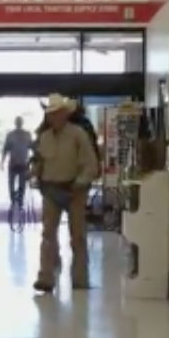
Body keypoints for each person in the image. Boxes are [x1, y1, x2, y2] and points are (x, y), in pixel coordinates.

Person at [31, 94, 100, 293]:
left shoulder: (78, 134)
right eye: (50, 114)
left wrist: (80, 183)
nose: (52, 118)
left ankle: (80, 279)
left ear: (64, 114)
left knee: (77, 236)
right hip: (51, 189)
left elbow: (90, 163)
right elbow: (40, 162)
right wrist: (35, 173)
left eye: (55, 113)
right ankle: (45, 277)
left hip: (75, 190)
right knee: (47, 235)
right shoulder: (44, 137)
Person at [0, 116, 33, 206]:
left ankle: (16, 199)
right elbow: (5, 149)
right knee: (18, 183)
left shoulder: (12, 135)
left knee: (16, 182)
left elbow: (5, 149)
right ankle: (17, 199)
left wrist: (2, 162)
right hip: (20, 162)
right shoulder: (25, 135)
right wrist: (2, 162)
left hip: (19, 163)